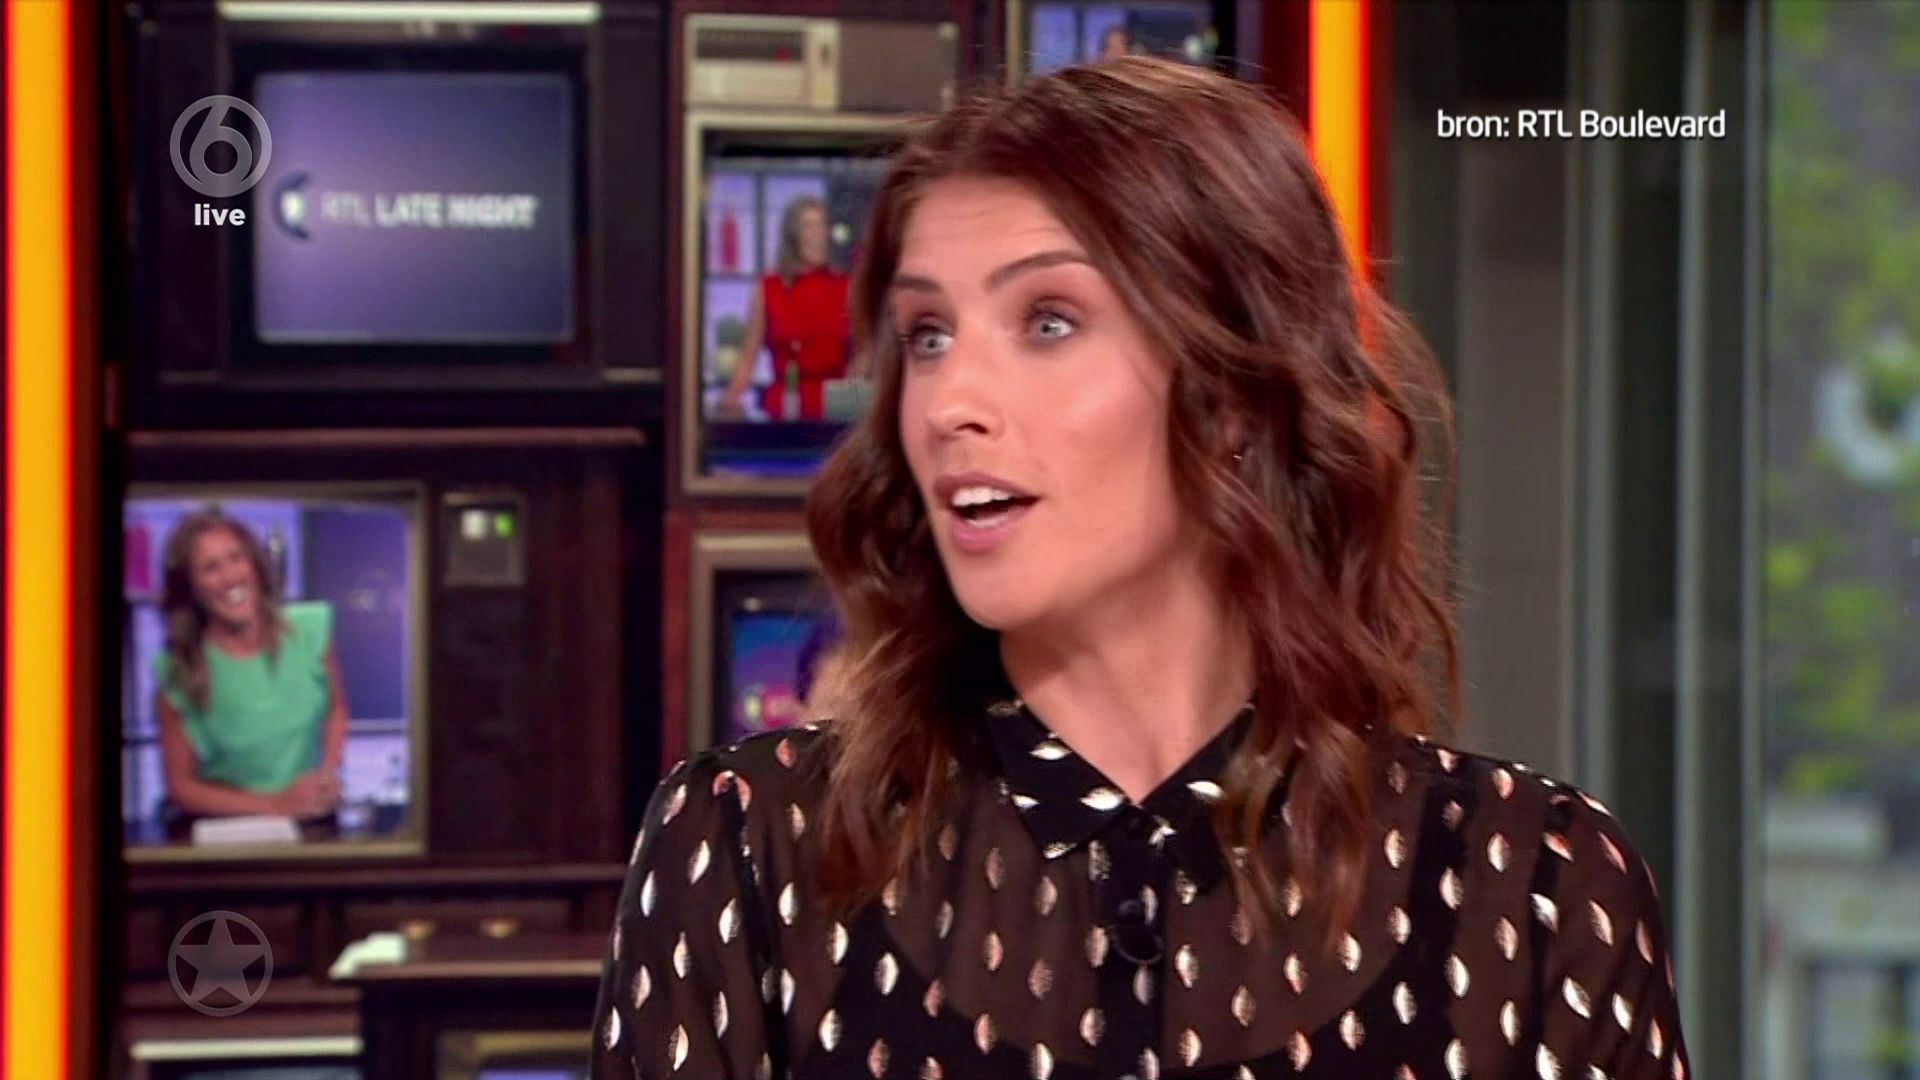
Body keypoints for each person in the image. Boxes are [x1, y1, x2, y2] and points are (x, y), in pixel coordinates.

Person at [593, 57, 1690, 1079]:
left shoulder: (1535, 894)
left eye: (1048, 320)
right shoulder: (749, 852)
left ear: (1233, 399)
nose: (950, 402)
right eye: (927, 335)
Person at [154, 507, 347, 823]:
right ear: (191, 587)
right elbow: (181, 788)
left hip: (311, 820)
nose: (230, 577)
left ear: (255, 565)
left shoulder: (310, 630)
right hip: (227, 828)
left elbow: (336, 710)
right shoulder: (179, 671)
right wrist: (275, 805)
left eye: (236, 558)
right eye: (211, 568)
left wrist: (327, 772)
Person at [716, 195, 853, 422]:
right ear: (792, 236)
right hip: (785, 409)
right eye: (809, 226)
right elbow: (748, 356)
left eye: (822, 225)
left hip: (835, 411)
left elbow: (864, 353)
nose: (818, 234)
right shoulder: (769, 288)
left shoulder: (845, 287)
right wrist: (728, 403)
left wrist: (858, 402)